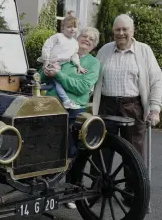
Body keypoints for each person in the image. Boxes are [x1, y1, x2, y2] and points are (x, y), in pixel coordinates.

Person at [92, 14, 162, 205]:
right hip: (106, 105)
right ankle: (97, 189)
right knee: (101, 148)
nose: (121, 33)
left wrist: (155, 108)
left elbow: (156, 80)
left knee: (134, 152)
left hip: (133, 106)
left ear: (133, 31)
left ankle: (132, 193)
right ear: (113, 31)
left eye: (125, 29)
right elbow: (92, 78)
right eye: (117, 30)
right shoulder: (105, 50)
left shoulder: (144, 51)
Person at [40, 26, 101, 209]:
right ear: (77, 38)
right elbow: (43, 74)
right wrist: (46, 70)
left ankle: (70, 193)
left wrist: (59, 74)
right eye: (84, 35)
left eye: (91, 39)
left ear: (94, 46)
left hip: (75, 110)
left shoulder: (93, 63)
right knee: (47, 149)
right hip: (51, 107)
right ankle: (46, 192)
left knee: (72, 152)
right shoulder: (66, 53)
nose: (87, 40)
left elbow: (82, 88)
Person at [39, 11, 88, 109]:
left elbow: (74, 55)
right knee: (57, 82)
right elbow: (47, 46)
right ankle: (65, 100)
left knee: (55, 83)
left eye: (74, 27)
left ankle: (41, 91)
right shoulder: (58, 37)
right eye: (69, 27)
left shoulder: (74, 43)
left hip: (61, 65)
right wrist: (46, 60)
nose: (72, 29)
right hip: (51, 62)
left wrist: (78, 65)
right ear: (63, 28)